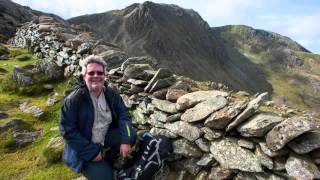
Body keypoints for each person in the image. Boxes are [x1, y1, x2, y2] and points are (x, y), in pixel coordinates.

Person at [59, 55, 136, 180]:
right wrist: (92, 153)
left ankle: (109, 156)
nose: (96, 76)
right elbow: (67, 131)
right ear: (84, 77)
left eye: (99, 72)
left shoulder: (111, 94)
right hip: (85, 148)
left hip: (105, 138)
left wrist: (126, 140)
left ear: (104, 76)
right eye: (91, 73)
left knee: (130, 133)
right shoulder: (73, 100)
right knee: (106, 177)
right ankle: (96, 163)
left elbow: (124, 116)